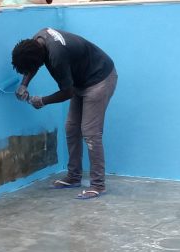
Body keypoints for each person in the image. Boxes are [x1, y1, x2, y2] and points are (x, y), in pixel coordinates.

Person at [11, 28, 118, 199]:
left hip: (100, 79)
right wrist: (24, 84)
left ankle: (98, 185)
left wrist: (43, 101)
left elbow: (67, 93)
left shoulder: (57, 56)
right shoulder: (37, 40)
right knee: (71, 128)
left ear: (40, 60)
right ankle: (74, 177)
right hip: (81, 81)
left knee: (91, 133)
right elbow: (34, 64)